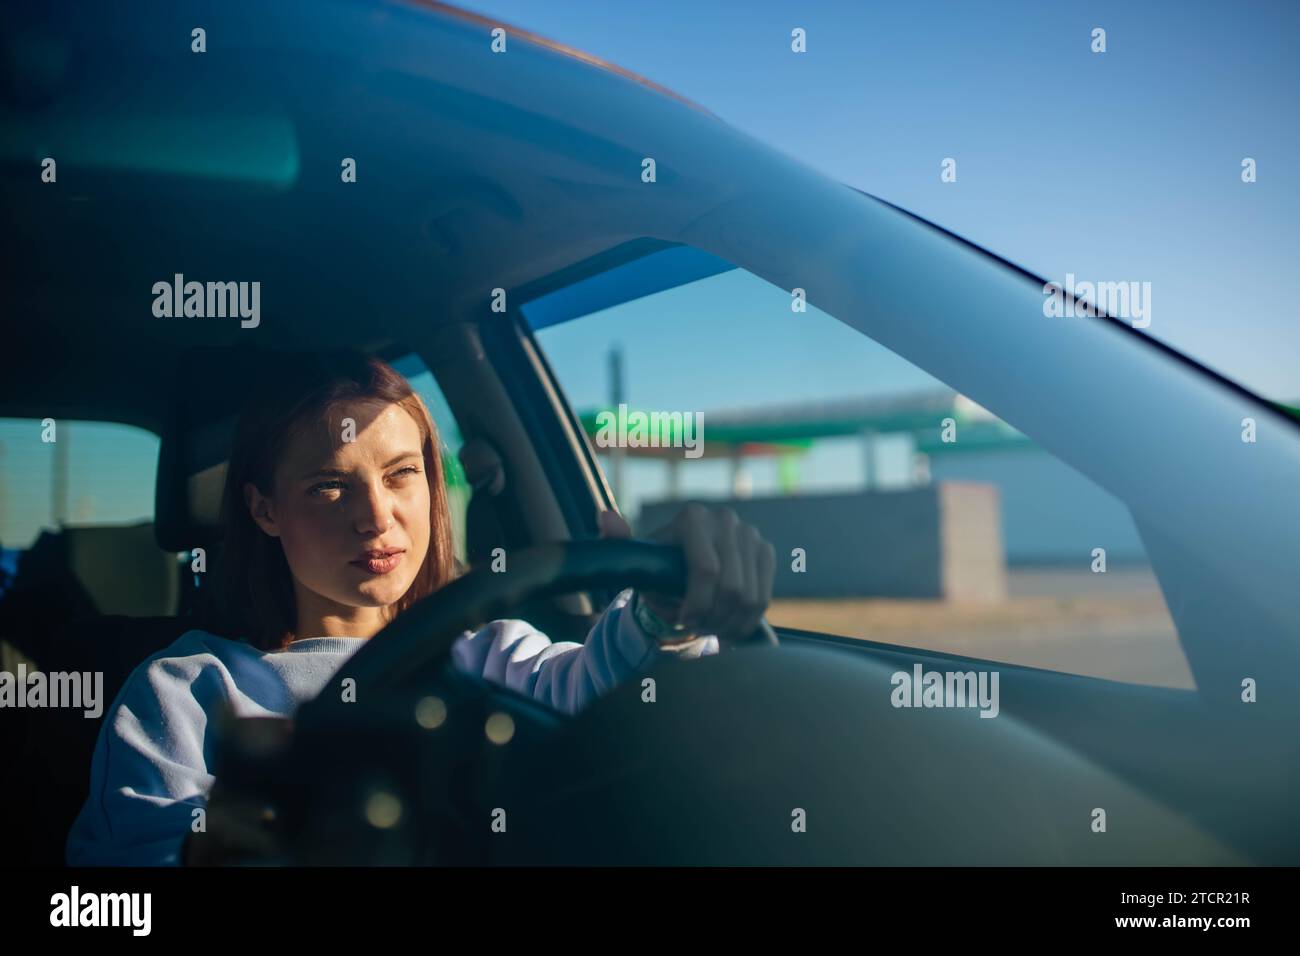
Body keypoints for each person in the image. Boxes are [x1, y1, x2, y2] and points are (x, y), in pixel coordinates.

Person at [65, 351, 776, 866]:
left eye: (402, 475)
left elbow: (609, 701)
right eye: (327, 488)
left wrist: (663, 610)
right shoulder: (187, 689)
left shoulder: (488, 652)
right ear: (263, 509)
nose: (377, 518)